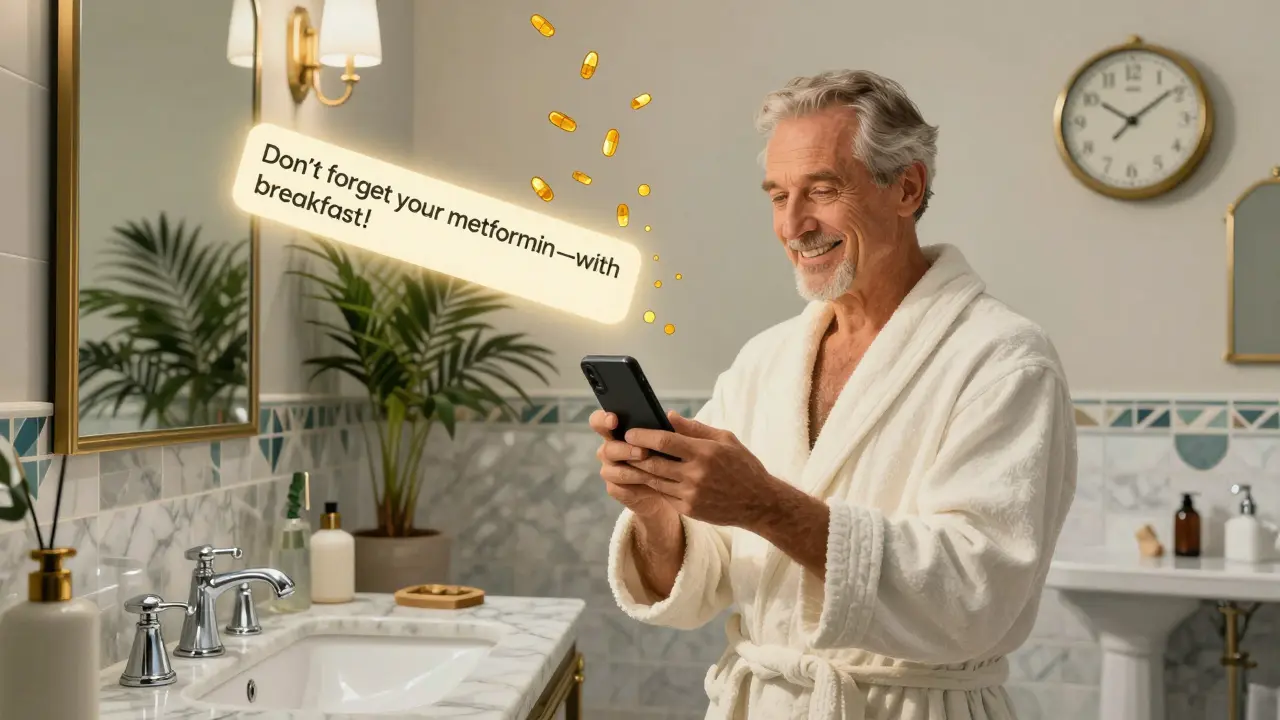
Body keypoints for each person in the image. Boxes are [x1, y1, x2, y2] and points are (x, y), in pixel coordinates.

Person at [590, 69, 1077, 720]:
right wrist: (657, 514)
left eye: (822, 190)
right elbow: (701, 583)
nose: (794, 224)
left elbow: (975, 596)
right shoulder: (766, 361)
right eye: (777, 195)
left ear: (906, 188)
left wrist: (765, 505)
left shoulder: (1003, 359)